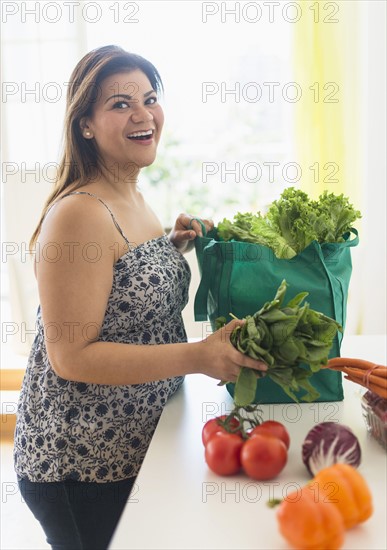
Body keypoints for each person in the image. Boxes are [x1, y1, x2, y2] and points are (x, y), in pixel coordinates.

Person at [14, 45, 267, 550]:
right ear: (84, 124)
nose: (142, 113)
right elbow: (71, 356)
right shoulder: (79, 213)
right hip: (82, 462)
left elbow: (119, 287)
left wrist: (171, 249)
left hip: (137, 443)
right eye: (119, 104)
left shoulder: (130, 192)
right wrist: (199, 356)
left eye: (149, 98)